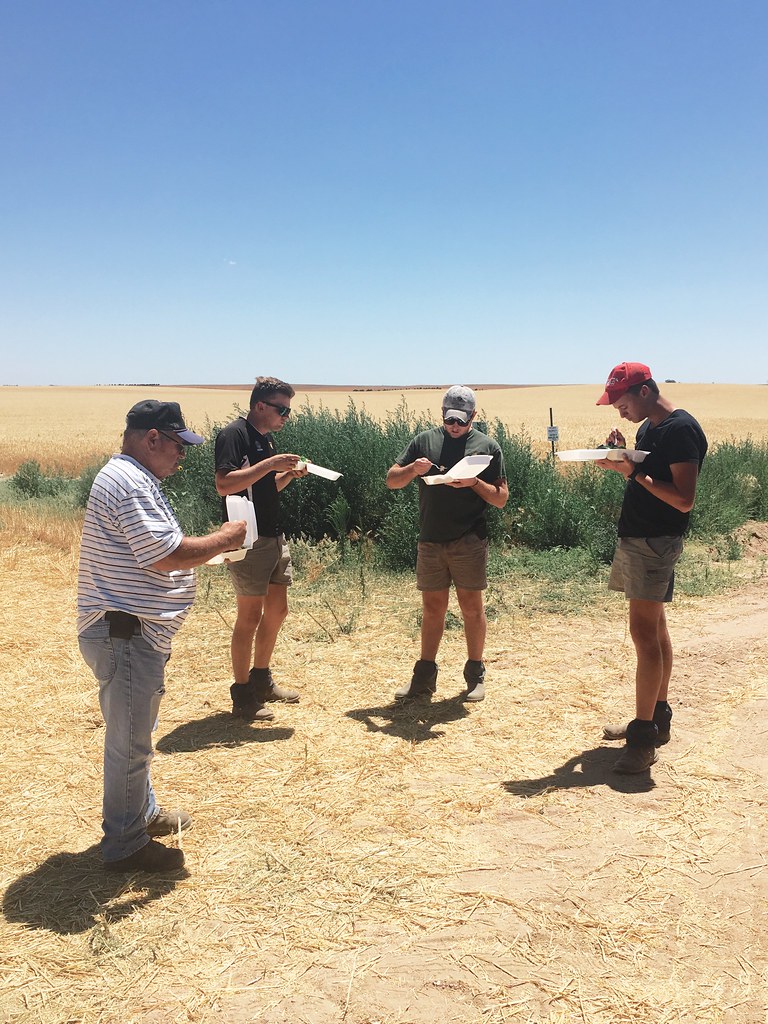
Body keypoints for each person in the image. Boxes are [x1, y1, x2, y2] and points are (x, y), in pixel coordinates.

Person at [78, 400, 247, 873]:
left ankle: (141, 812)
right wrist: (224, 539)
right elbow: (164, 554)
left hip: (130, 632)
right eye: (177, 445)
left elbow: (154, 553)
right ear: (152, 438)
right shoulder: (130, 483)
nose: (182, 455)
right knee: (130, 742)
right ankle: (125, 844)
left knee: (138, 732)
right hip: (124, 633)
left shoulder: (130, 477)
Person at [595, 362, 708, 773]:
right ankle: (656, 718)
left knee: (643, 634)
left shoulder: (681, 429)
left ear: (644, 392)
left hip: (656, 543)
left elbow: (683, 499)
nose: (618, 411)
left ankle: (643, 738)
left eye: (621, 402)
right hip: (639, 538)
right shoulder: (649, 430)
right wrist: (625, 457)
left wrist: (635, 471)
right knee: (655, 629)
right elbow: (647, 475)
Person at [386, 385, 509, 701]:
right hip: (430, 540)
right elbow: (391, 480)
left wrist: (474, 483)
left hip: (469, 540)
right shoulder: (424, 441)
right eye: (450, 420)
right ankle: (423, 679)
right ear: (441, 413)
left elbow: (501, 498)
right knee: (432, 609)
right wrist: (414, 469)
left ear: (474, 417)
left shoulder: (488, 447)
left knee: (471, 608)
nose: (455, 427)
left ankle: (475, 675)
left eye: (462, 421)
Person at [214, 377, 308, 721]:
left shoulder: (265, 440)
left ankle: (262, 679)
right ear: (260, 406)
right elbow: (225, 485)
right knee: (250, 616)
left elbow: (263, 489)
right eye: (281, 409)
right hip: (249, 539)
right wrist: (270, 465)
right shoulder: (234, 435)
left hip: (273, 536)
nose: (286, 416)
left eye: (288, 410)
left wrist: (286, 476)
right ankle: (242, 695)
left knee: (278, 610)